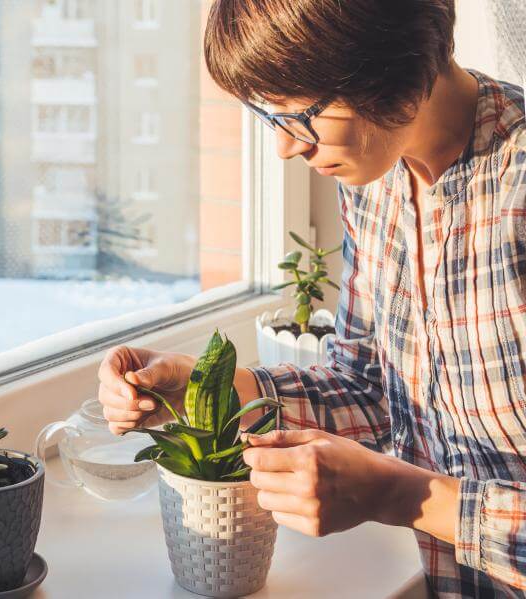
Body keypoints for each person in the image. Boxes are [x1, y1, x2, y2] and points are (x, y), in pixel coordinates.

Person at [96, 1, 526, 597]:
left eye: (299, 115)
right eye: (267, 115)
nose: (284, 148)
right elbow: (369, 389)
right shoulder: (378, 184)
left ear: (386, 64)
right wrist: (207, 388)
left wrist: (401, 494)